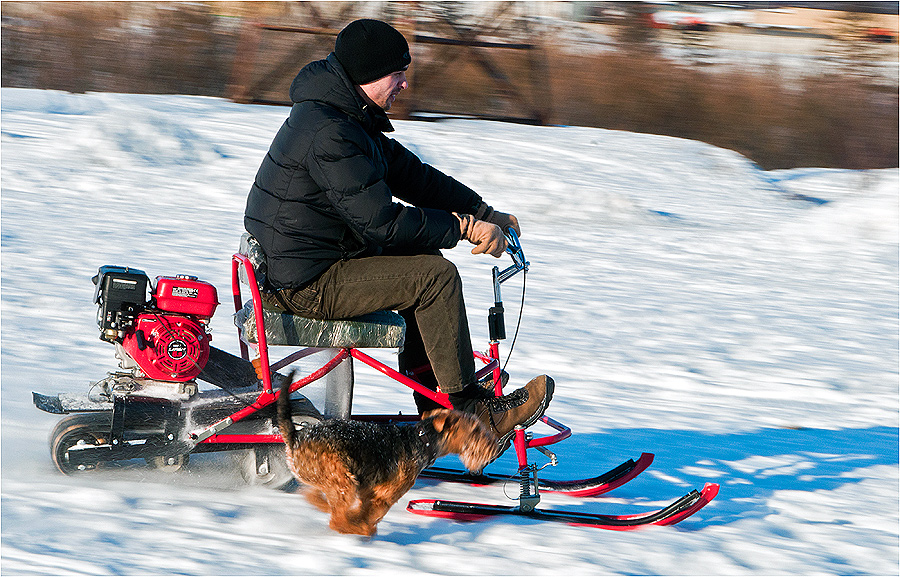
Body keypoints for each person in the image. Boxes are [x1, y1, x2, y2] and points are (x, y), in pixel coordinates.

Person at [244, 19, 553, 448]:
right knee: (434, 278)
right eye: (397, 73)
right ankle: (472, 416)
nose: (405, 84)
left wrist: (483, 211)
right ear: (368, 74)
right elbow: (382, 223)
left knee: (423, 266)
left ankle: (440, 410)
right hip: (306, 284)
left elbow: (412, 175)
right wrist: (463, 227)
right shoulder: (331, 131)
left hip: (311, 263)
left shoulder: (347, 115)